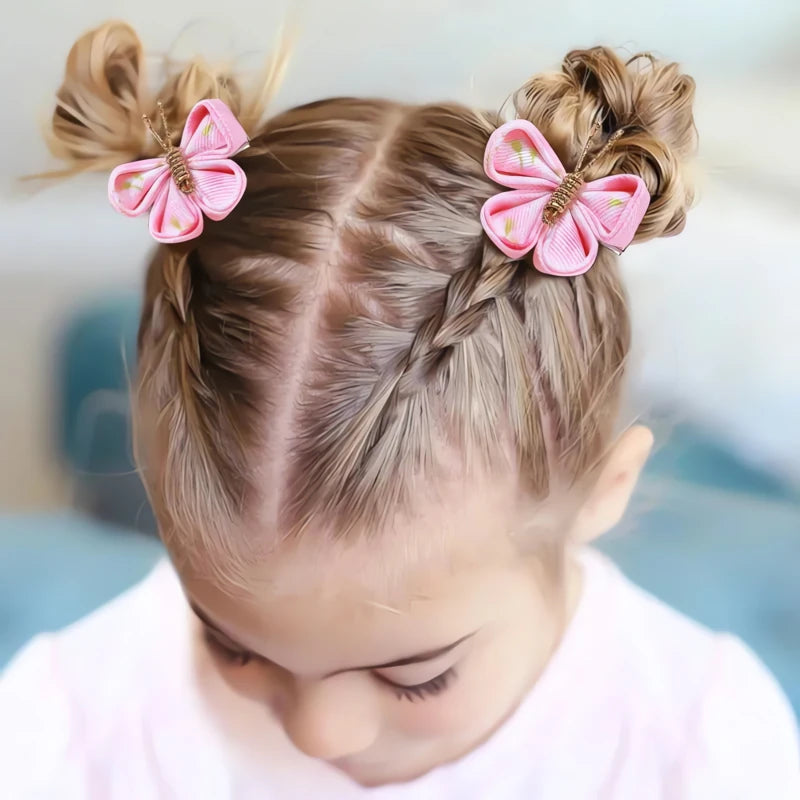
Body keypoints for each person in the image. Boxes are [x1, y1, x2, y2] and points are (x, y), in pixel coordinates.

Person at [2, 19, 798, 799]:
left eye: (418, 678)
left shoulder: (700, 746)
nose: (319, 735)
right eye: (232, 645)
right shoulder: (70, 720)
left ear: (603, 488)